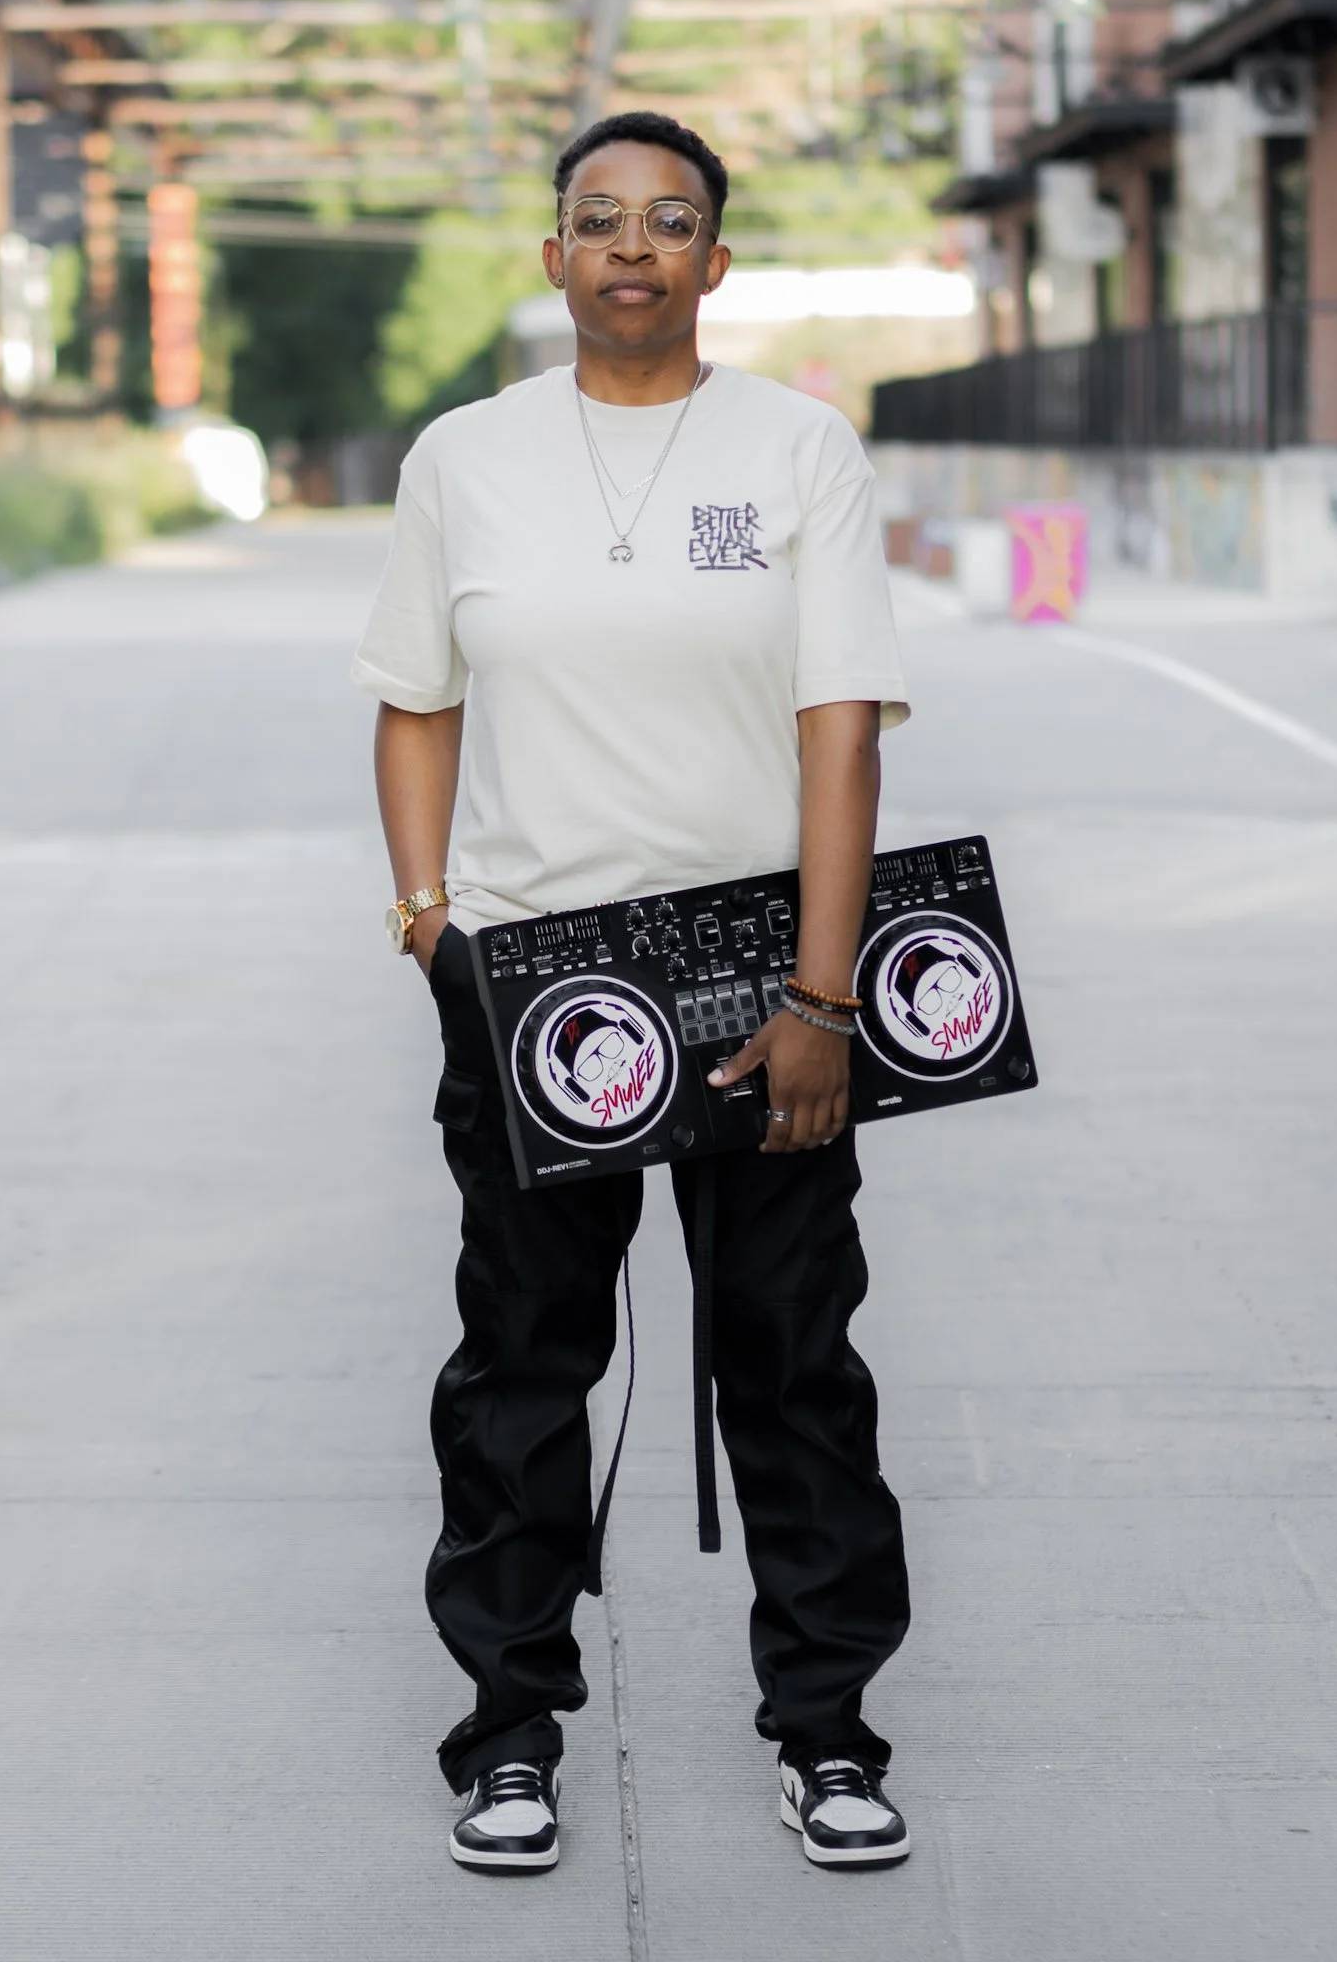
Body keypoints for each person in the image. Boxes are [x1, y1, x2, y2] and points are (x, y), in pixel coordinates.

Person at [353, 110, 912, 1874]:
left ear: (714, 264)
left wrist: (823, 1002)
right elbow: (415, 695)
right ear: (553, 258)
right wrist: (432, 917)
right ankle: (506, 1732)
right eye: (598, 219)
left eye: (669, 222)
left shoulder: (801, 449)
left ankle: (827, 1734)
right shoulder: (464, 457)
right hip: (534, 973)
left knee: (792, 1364)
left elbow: (840, 732)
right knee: (523, 1366)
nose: (631, 248)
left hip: (760, 965)